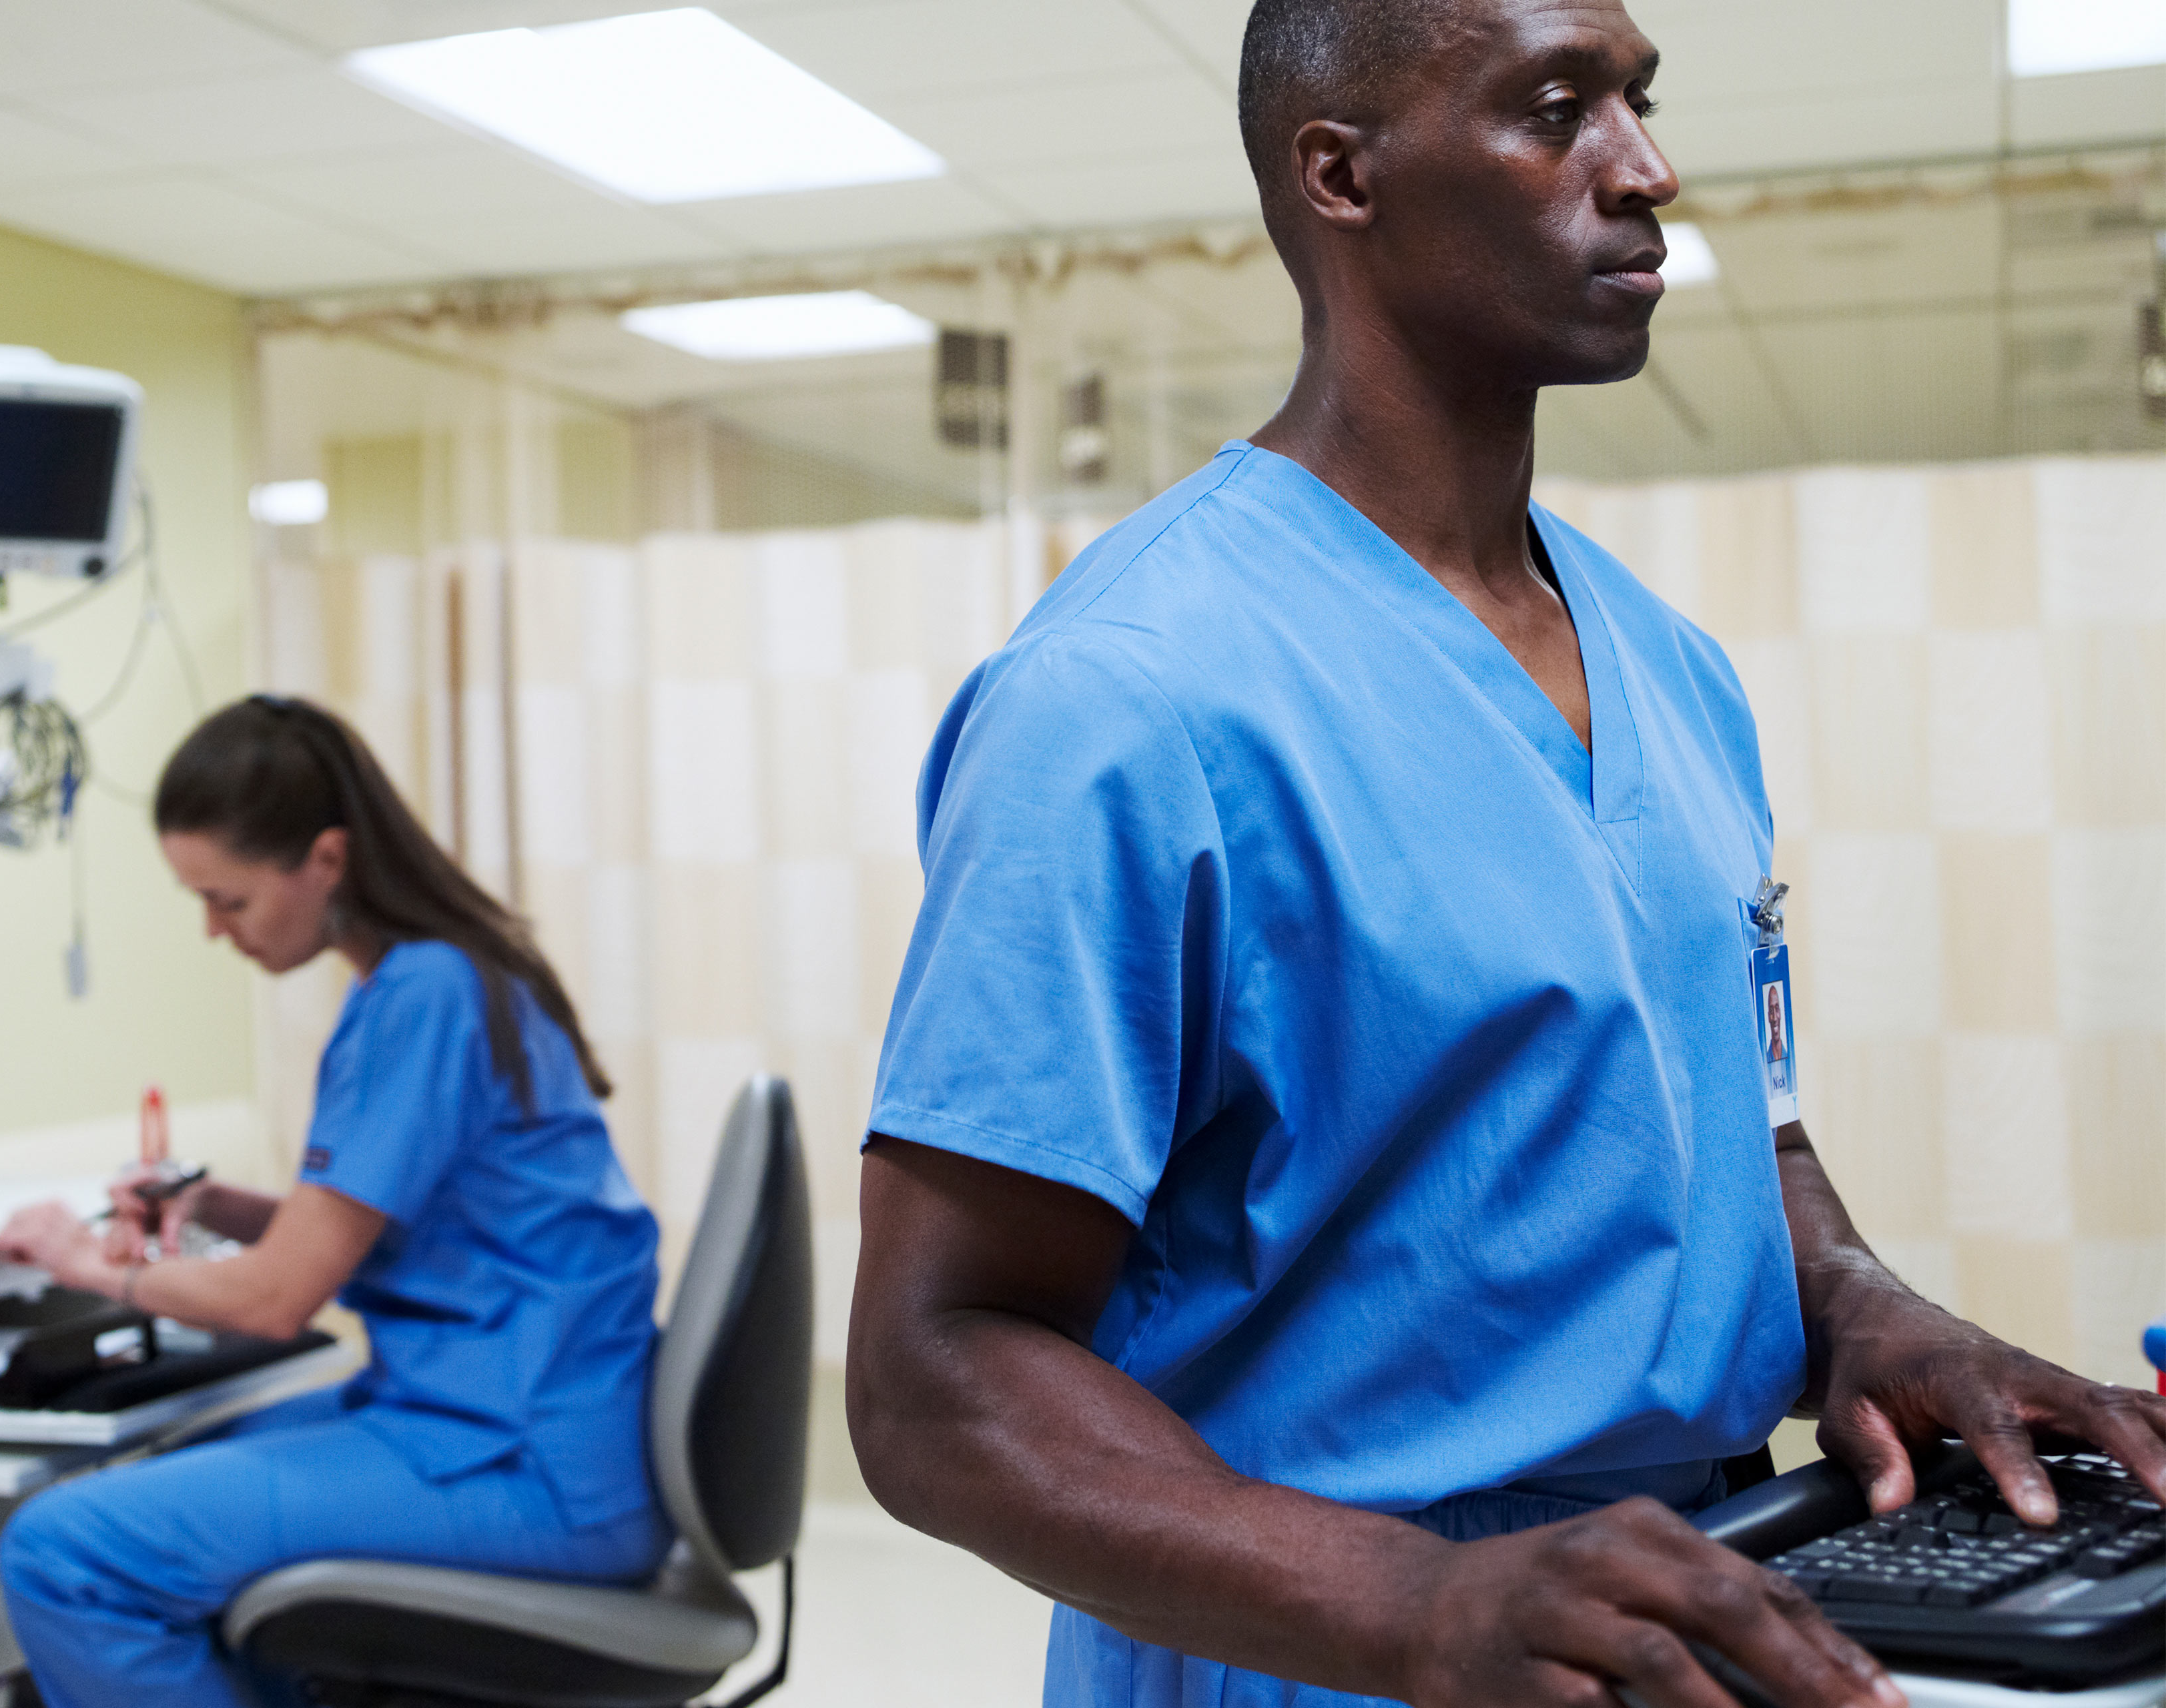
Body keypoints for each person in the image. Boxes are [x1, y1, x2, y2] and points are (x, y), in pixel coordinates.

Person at [844, 3, 2166, 1707]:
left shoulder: (1675, 670)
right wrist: (1419, 1601)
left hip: (1695, 1598)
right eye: (1559, 111)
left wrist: (1861, 1301)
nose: (1647, 169)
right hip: (1334, 1635)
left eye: (1640, 103)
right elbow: (937, 1371)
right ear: (1343, 176)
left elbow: (1727, 1103)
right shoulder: (1125, 697)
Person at [0, 695, 667, 1708]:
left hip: (522, 1461)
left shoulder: (423, 996)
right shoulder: (441, 977)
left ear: (327, 861)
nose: (215, 932)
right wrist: (210, 1203)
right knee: (154, 1484)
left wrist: (85, 1264)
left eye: (229, 901)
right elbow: (384, 1227)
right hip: (503, 1420)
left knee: (63, 1551)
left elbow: (274, 1303)